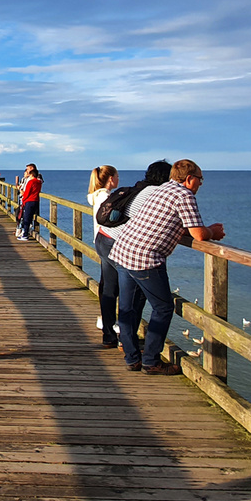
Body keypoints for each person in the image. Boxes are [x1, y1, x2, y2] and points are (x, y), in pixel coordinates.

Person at [109, 159, 225, 374]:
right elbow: (198, 234)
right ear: (189, 178)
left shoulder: (162, 189)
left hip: (123, 251)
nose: (200, 184)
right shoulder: (184, 195)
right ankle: (151, 361)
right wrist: (212, 232)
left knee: (127, 307)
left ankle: (132, 358)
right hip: (145, 258)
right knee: (163, 308)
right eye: (200, 179)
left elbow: (168, 222)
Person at [86, 165, 121, 347]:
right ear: (110, 179)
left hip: (100, 241)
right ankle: (114, 329)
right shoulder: (106, 198)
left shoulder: (97, 197)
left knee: (107, 285)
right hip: (110, 242)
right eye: (117, 176)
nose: (118, 179)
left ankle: (108, 327)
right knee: (114, 288)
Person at [15, 163, 42, 241]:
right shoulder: (38, 182)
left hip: (29, 201)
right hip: (35, 200)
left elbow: (27, 192)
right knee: (29, 218)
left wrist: (23, 200)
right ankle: (25, 232)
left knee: (26, 218)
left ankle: (25, 235)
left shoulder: (31, 182)